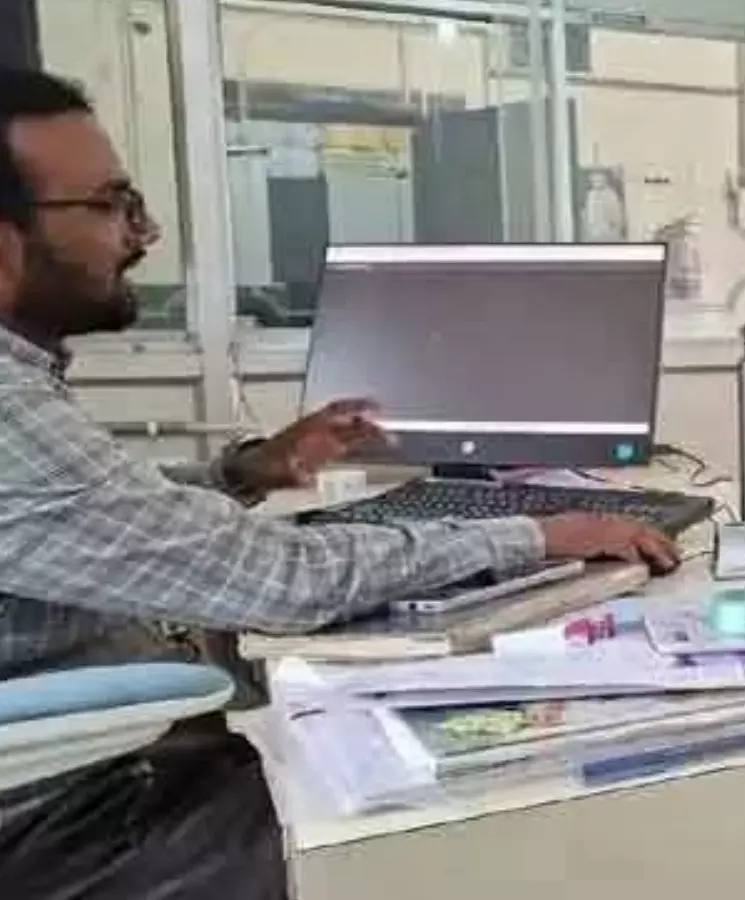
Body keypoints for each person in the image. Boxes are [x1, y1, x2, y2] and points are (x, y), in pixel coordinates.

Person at [0, 67, 679, 899]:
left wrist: (240, 474)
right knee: (491, 793)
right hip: (63, 817)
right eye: (109, 205)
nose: (143, 235)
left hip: (86, 760)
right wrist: (539, 534)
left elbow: (88, 518)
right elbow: (280, 582)